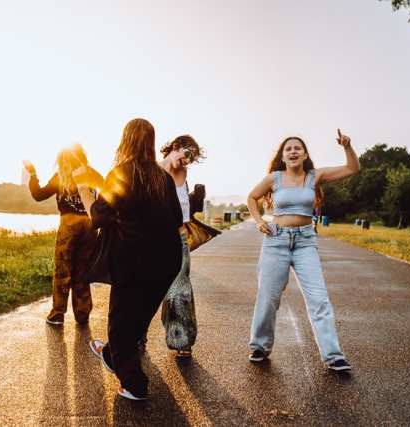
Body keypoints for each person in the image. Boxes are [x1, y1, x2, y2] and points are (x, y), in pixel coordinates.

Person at [72, 118, 183, 401]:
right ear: (151, 142)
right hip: (168, 261)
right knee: (137, 320)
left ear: (126, 140)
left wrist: (83, 187)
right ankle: (110, 355)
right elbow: (177, 219)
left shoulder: (122, 172)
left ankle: (135, 385)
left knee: (121, 325)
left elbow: (97, 216)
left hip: (135, 263)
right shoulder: (163, 178)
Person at [246, 129, 361, 371]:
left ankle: (333, 356)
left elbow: (352, 168)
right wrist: (259, 221)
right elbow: (252, 198)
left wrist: (347, 147)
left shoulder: (314, 176)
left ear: (305, 154)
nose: (293, 151)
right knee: (268, 298)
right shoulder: (274, 178)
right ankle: (260, 346)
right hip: (276, 242)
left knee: (319, 299)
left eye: (297, 147)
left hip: (305, 243)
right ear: (283, 156)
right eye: (288, 148)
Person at [145, 134, 220, 357]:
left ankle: (182, 339)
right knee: (147, 291)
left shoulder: (183, 173)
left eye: (192, 159)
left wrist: (194, 203)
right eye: (187, 154)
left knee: (180, 290)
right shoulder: (151, 171)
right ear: (176, 147)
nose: (188, 161)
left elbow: (182, 210)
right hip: (153, 241)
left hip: (179, 241)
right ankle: (137, 337)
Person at [22, 143, 103, 325]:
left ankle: (58, 314)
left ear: (61, 158)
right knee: (83, 268)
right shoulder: (90, 173)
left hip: (68, 224)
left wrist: (33, 174)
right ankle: (82, 314)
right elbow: (108, 188)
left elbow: (38, 195)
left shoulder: (61, 175)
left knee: (62, 268)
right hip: (90, 224)